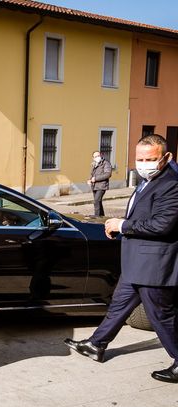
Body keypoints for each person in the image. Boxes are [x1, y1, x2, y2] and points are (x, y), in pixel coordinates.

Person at [65, 134, 178, 383]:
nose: (144, 163)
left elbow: (162, 225)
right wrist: (118, 227)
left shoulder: (171, 183)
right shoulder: (150, 179)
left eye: (151, 159)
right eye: (140, 158)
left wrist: (122, 224)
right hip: (137, 262)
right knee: (119, 305)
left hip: (154, 265)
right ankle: (96, 345)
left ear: (166, 157)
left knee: (161, 315)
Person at [87, 151, 112, 216]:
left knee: (96, 201)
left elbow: (108, 174)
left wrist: (96, 178)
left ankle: (97, 217)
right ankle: (102, 217)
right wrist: (89, 179)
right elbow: (91, 174)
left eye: (98, 155)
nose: (97, 157)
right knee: (98, 202)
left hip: (102, 185)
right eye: (95, 156)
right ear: (93, 158)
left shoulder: (106, 163)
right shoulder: (94, 164)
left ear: (101, 155)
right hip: (94, 186)